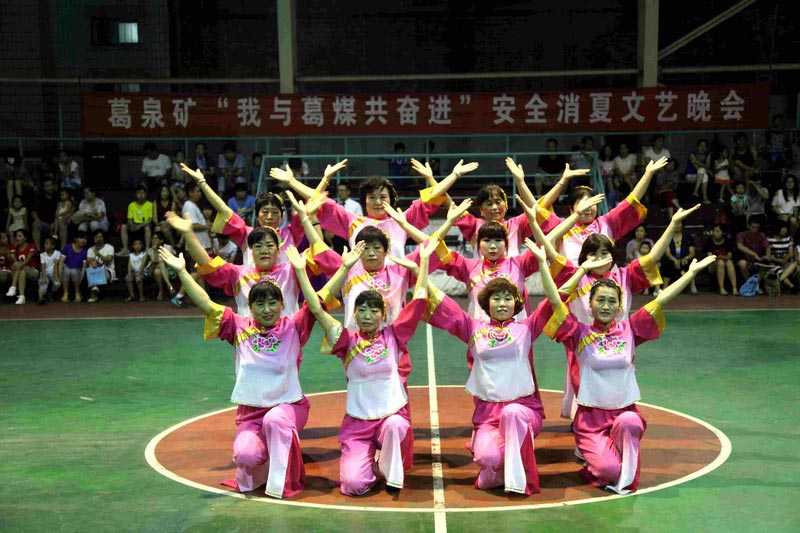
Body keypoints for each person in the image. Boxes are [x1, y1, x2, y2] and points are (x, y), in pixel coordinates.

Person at [156, 246, 325, 499]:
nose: (266, 309)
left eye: (272, 303)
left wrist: (309, 271)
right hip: (251, 413)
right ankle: (268, 458)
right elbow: (206, 304)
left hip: (289, 406)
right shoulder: (238, 326)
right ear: (250, 307)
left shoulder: (293, 326)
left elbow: (318, 303)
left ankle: (282, 483)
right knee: (245, 454)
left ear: (282, 304)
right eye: (260, 304)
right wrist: (182, 272)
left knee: (276, 420)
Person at [546, 256, 717, 494]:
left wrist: (690, 274)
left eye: (612, 301)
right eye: (600, 300)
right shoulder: (578, 332)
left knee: (631, 422)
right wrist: (581, 269)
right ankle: (599, 464)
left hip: (624, 413)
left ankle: (614, 458)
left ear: (619, 307)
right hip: (590, 420)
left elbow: (661, 300)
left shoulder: (630, 329)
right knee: (608, 471)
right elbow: (555, 302)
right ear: (589, 304)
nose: (606, 306)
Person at [292, 239, 434, 495]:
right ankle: (370, 466)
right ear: (354, 314)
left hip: (390, 415)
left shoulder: (395, 334)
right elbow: (315, 308)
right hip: (358, 422)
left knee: (397, 426)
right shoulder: (345, 340)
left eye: (373, 311)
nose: (367, 315)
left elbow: (420, 300)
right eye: (362, 310)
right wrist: (306, 271)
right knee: (353, 486)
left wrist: (423, 262)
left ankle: (388, 468)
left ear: (383, 315)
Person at [424, 239, 560, 495]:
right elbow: (441, 302)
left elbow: (554, 301)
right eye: (496, 298)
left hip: (523, 410)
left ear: (516, 303)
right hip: (487, 414)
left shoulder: (527, 328)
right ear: (486, 304)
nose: (502, 303)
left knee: (513, 414)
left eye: (508, 298)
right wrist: (421, 269)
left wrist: (543, 263)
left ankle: (519, 477)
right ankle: (497, 469)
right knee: (486, 457)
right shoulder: (472, 328)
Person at [166, 194, 335, 319]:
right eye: (258, 246)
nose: (264, 250)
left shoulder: (291, 271)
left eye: (270, 245)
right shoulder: (238, 274)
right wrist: (188, 234)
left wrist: (311, 217)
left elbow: (320, 253)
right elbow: (207, 265)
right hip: (248, 339)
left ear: (279, 250)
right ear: (250, 249)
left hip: (287, 340)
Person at [271, 159, 462, 259]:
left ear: (392, 200)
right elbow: (318, 200)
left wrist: (447, 176)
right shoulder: (353, 222)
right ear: (364, 201)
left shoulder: (401, 221)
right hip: (360, 290)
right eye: (372, 197)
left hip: (395, 287)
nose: (378, 202)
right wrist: (292, 182)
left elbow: (433, 197)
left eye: (383, 197)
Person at [538, 157, 668, 266]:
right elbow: (539, 209)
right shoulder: (560, 226)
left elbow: (631, 200)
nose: (588, 208)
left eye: (592, 203)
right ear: (571, 209)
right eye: (582, 204)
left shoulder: (607, 222)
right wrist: (562, 181)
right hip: (572, 283)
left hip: (605, 284)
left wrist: (648, 174)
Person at [169, 181, 210, 308]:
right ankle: (179, 296)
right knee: (198, 272)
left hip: (199, 244)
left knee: (200, 273)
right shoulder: (189, 206)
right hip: (196, 245)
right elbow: (192, 225)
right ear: (190, 193)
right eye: (197, 191)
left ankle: (205, 299)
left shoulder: (192, 205)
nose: (199, 193)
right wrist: (208, 226)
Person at [660, 220, 697, 292]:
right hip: (671, 259)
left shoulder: (688, 237)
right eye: (675, 224)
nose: (677, 226)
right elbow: (667, 253)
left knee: (691, 263)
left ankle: (692, 285)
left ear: (682, 225)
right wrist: (675, 260)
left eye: (679, 224)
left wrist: (686, 258)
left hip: (684, 259)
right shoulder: (667, 237)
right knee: (667, 263)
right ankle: (665, 287)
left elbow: (692, 253)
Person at [702, 224, 738, 295]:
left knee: (729, 262)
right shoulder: (709, 243)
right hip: (712, 266)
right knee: (721, 262)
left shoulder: (728, 242)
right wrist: (721, 257)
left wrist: (721, 257)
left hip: (726, 263)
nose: (715, 233)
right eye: (714, 231)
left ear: (723, 233)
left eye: (717, 231)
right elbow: (711, 258)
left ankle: (734, 288)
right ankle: (721, 288)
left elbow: (729, 256)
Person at [118, 185, 153, 256]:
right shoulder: (131, 205)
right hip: (134, 224)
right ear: (135, 195)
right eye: (138, 193)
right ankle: (125, 249)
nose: (141, 195)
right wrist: (133, 225)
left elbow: (150, 220)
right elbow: (129, 220)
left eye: (142, 193)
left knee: (147, 228)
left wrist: (140, 226)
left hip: (144, 224)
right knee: (123, 227)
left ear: (146, 194)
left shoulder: (150, 204)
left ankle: (147, 249)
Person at [6, 229, 38, 305]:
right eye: (16, 236)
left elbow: (28, 260)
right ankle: (22, 297)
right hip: (21, 270)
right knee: (22, 271)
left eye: (20, 236)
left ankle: (13, 287)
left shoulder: (31, 246)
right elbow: (13, 261)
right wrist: (11, 253)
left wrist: (17, 265)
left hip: (33, 272)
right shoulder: (15, 247)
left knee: (20, 267)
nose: (17, 238)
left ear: (25, 238)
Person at [86, 230, 116, 303]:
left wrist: (98, 254)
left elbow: (108, 259)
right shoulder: (90, 249)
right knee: (91, 270)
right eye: (96, 237)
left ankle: (94, 292)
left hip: (108, 271)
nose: (98, 239)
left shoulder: (109, 247)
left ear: (103, 238)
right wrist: (92, 263)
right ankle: (95, 289)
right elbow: (89, 261)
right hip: (94, 270)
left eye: (100, 237)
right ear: (93, 238)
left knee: (96, 272)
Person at [144, 231, 176, 301]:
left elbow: (169, 261)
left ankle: (161, 292)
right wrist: (155, 250)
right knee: (158, 266)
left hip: (168, 269)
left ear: (161, 240)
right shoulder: (150, 250)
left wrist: (159, 262)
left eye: (156, 238)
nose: (153, 240)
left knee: (158, 271)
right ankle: (169, 285)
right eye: (153, 238)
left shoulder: (168, 248)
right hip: (153, 269)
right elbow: (155, 261)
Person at [765, 221, 797, 292]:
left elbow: (791, 254)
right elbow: (769, 255)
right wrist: (777, 260)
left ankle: (779, 281)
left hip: (786, 263)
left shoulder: (789, 239)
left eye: (786, 228)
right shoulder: (769, 239)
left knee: (794, 263)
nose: (785, 230)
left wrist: (786, 257)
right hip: (774, 263)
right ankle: (791, 286)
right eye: (783, 228)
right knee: (779, 270)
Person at [58, 230, 88, 303]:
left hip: (78, 271)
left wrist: (81, 278)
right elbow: (61, 262)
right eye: (81, 238)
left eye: (85, 239)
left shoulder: (86, 250)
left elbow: (84, 267)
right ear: (76, 239)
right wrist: (59, 275)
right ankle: (65, 294)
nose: (83, 240)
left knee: (74, 271)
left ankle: (78, 293)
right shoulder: (67, 247)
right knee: (67, 270)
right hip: (67, 270)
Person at [30, 178, 59, 250]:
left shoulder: (57, 196)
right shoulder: (39, 197)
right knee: (35, 224)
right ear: (43, 187)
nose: (50, 188)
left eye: (51, 185)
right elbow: (33, 211)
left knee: (61, 225)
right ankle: (38, 249)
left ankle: (62, 250)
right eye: (47, 186)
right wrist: (38, 220)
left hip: (55, 222)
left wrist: (55, 222)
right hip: (42, 222)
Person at [36, 236, 62, 304]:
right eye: (45, 243)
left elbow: (56, 265)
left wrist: (56, 276)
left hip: (53, 272)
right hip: (45, 272)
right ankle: (40, 298)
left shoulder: (57, 253)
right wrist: (43, 277)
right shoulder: (42, 255)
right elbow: (43, 267)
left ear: (52, 246)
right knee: (43, 284)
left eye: (47, 243)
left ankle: (50, 293)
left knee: (57, 284)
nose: (45, 245)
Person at [686, 139, 712, 204]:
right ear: (697, 146)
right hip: (691, 175)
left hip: (701, 175)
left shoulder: (708, 154)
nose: (702, 148)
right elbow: (697, 168)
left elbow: (708, 166)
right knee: (702, 171)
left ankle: (696, 192)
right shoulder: (692, 154)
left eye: (704, 146)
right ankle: (704, 198)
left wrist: (696, 161)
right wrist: (706, 169)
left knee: (704, 174)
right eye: (701, 146)